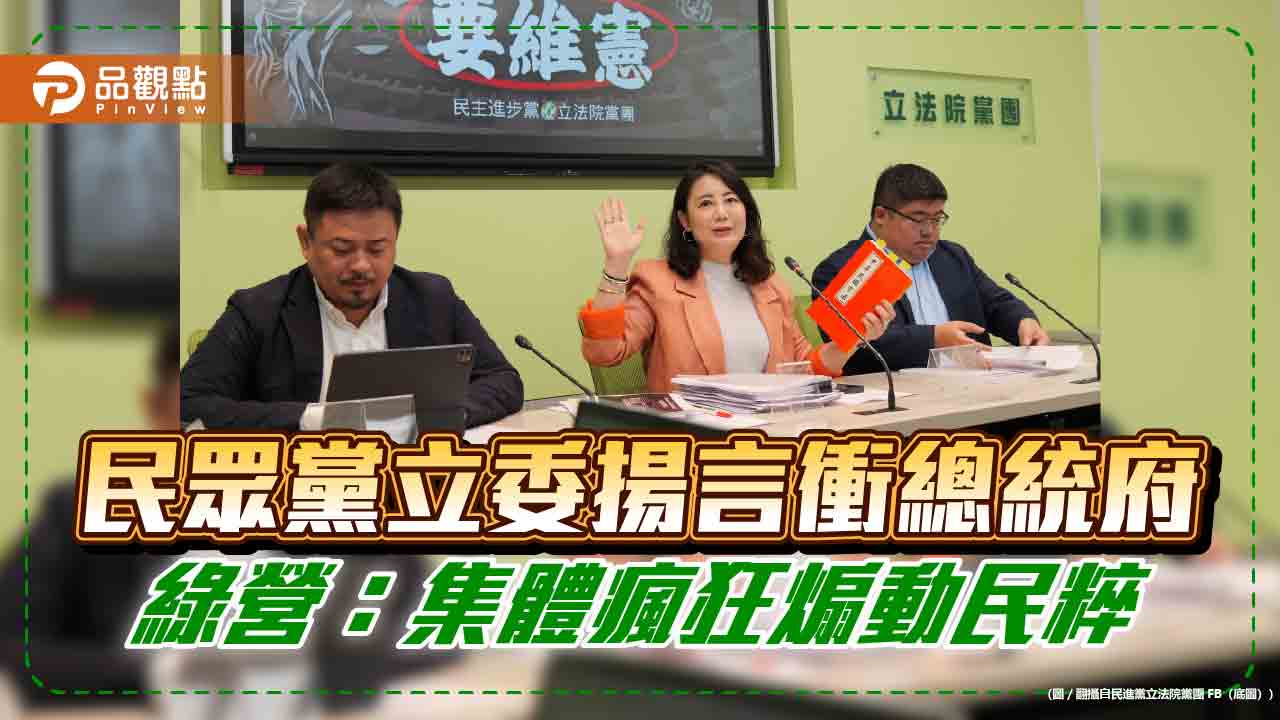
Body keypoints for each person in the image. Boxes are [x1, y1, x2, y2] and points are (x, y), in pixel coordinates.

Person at [181, 162, 523, 430]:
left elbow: (504, 380)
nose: (361, 265)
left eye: (377, 249)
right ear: (306, 242)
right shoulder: (258, 311)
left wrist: (442, 415)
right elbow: (187, 402)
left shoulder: (432, 298)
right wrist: (310, 419)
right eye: (342, 249)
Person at [579, 159, 895, 392]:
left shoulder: (771, 286)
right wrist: (616, 264)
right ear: (685, 221)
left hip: (769, 430)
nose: (721, 213)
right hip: (696, 439)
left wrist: (853, 339)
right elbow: (605, 353)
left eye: (731, 200)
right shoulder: (656, 280)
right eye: (706, 203)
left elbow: (806, 368)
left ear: (746, 212)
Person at [813, 163, 1050, 375]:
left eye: (936, 219)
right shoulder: (840, 269)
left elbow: (995, 303)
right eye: (918, 219)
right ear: (881, 215)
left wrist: (1023, 321)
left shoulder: (953, 257)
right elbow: (856, 348)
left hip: (979, 386)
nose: (929, 231)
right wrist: (934, 338)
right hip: (897, 398)